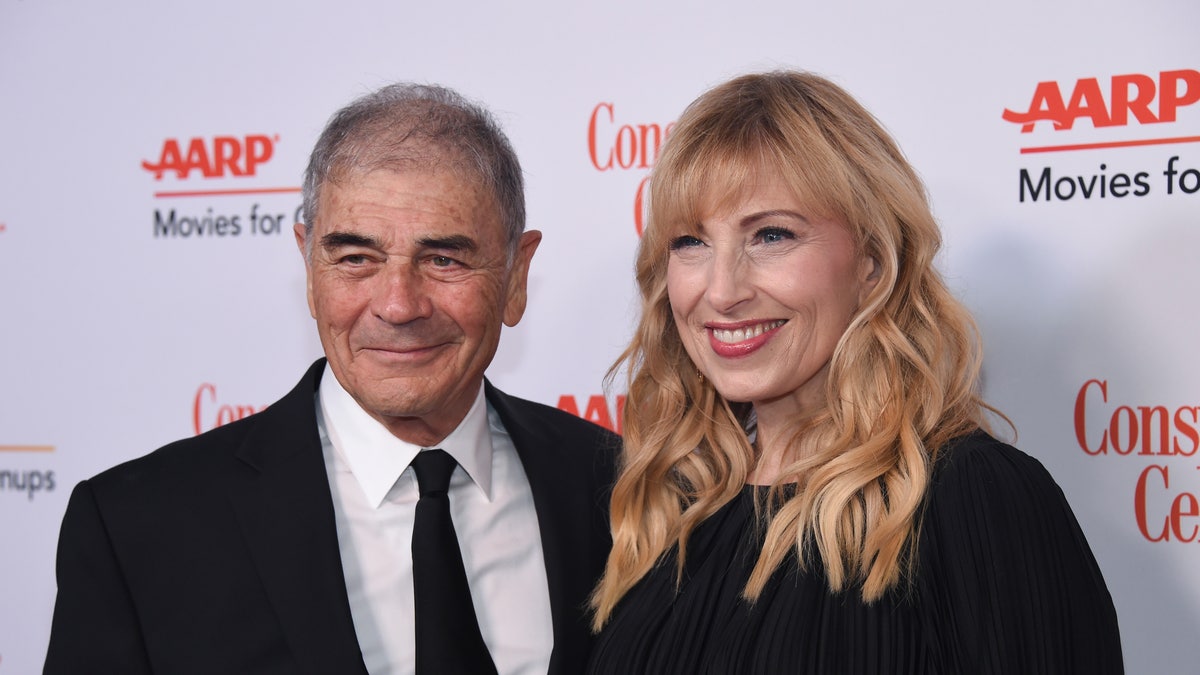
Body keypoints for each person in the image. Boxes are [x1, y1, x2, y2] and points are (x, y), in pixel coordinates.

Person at [44, 83, 617, 675]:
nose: (398, 305)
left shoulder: (624, 491)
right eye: (355, 259)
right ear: (309, 266)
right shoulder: (138, 527)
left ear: (516, 276)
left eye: (443, 259)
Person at [586, 71, 1123, 674]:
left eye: (770, 235)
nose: (722, 290)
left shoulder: (976, 500)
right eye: (690, 241)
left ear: (872, 261)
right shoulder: (671, 510)